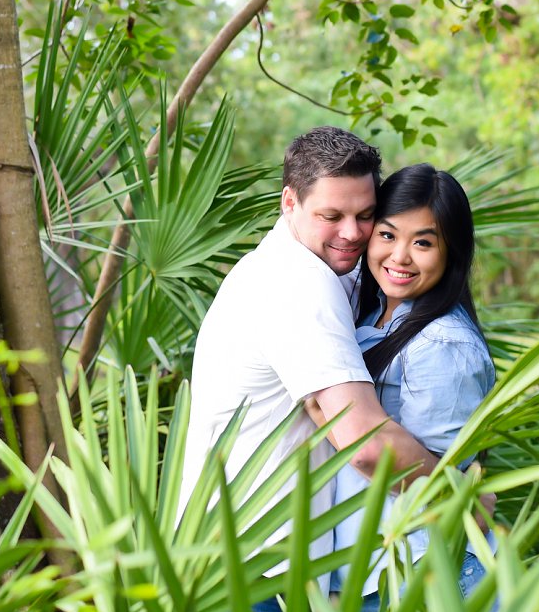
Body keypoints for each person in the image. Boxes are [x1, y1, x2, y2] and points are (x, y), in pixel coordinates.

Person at [176, 125, 440, 545]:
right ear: (289, 202)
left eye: (366, 216)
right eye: (331, 216)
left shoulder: (294, 263)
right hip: (255, 562)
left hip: (234, 546)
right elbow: (365, 443)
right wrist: (460, 500)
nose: (352, 233)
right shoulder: (298, 283)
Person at [340, 162, 496, 612]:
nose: (400, 256)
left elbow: (443, 474)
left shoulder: (442, 343)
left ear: (451, 253)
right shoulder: (372, 315)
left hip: (425, 573)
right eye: (387, 235)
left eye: (423, 242)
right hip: (377, 572)